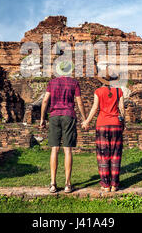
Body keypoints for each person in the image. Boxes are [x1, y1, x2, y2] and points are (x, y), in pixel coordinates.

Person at [40, 60, 87, 193]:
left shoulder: (52, 82)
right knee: (67, 150)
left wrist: (42, 118)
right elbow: (79, 102)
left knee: (54, 149)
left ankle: (53, 183)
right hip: (69, 115)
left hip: (54, 116)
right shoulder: (74, 83)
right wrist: (84, 119)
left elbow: (45, 100)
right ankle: (67, 184)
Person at [81, 73, 125, 192]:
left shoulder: (98, 91)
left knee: (103, 154)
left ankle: (106, 185)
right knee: (116, 154)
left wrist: (87, 121)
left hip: (102, 124)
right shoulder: (119, 91)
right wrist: (123, 123)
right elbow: (122, 109)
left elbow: (95, 108)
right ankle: (114, 185)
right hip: (116, 124)